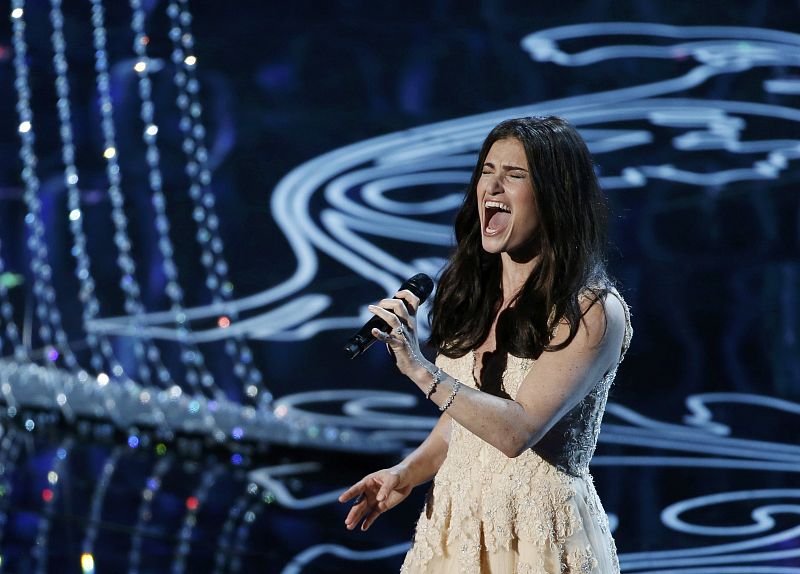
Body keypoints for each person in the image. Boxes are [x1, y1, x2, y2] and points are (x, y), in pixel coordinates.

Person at [338, 116, 632, 573]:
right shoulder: (472, 291)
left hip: (537, 536)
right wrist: (406, 473)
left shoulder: (590, 310)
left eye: (514, 175)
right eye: (486, 171)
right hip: (455, 529)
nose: (491, 187)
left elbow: (515, 432)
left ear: (555, 196)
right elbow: (465, 420)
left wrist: (419, 368)